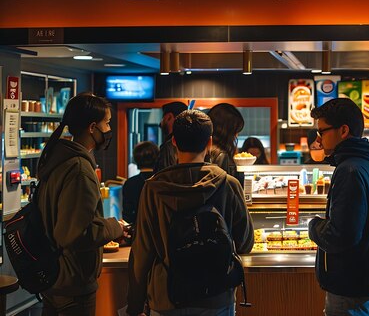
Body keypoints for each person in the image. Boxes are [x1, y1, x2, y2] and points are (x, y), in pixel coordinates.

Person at [127, 110, 254, 316]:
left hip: (166, 296)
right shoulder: (228, 184)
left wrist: (134, 306)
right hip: (216, 295)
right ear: (209, 142)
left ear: (174, 141)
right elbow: (246, 243)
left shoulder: (153, 188)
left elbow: (142, 252)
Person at [36, 93, 124, 316]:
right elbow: (77, 234)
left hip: (53, 274)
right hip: (73, 282)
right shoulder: (79, 169)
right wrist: (116, 227)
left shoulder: (57, 159)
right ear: (92, 127)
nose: (109, 128)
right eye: (107, 123)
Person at [308, 98, 369, 316]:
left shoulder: (350, 170)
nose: (318, 139)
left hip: (350, 288)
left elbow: (342, 235)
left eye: (323, 131)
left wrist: (314, 225)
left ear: (343, 130)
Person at [206, 103, 245, 185]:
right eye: (235, 131)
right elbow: (223, 190)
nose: (236, 135)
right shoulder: (221, 154)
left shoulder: (205, 148)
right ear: (227, 130)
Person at [122, 141, 159, 225]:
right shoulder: (163, 181)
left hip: (137, 232)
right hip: (160, 233)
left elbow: (127, 216)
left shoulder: (130, 183)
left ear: (136, 159)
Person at [154, 101, 187, 172]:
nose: (160, 124)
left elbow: (163, 177)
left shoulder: (169, 146)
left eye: (162, 118)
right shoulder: (190, 142)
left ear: (169, 117)